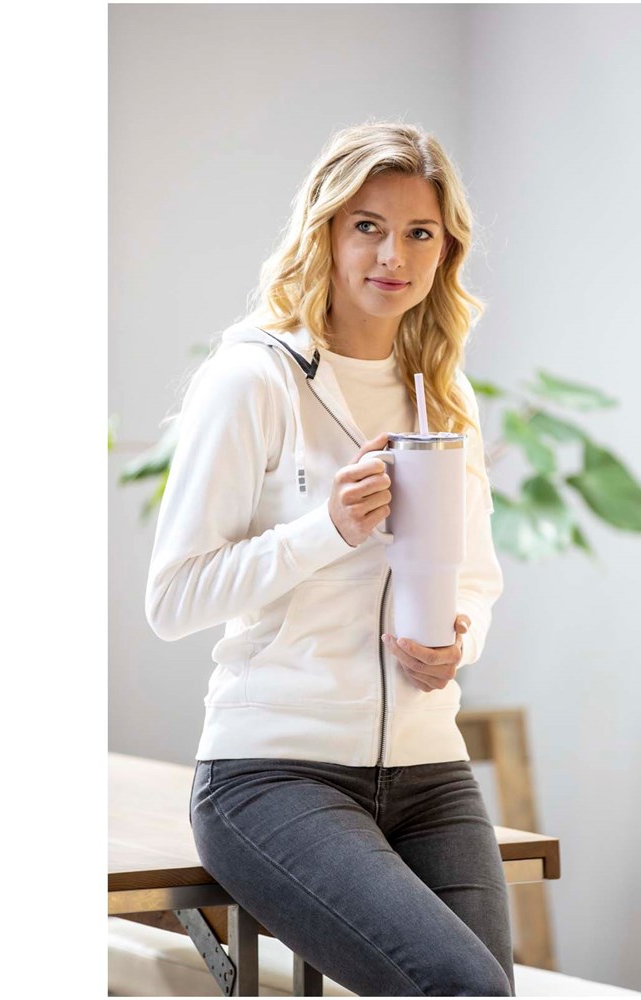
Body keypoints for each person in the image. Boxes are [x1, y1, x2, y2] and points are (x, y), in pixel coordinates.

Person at [144, 122, 512, 997]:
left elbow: (476, 577)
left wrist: (459, 641)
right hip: (274, 772)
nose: (393, 255)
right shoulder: (255, 378)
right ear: (327, 232)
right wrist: (329, 529)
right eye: (368, 226)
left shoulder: (442, 394)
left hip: (429, 768)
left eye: (419, 232)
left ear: (446, 251)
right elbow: (173, 598)